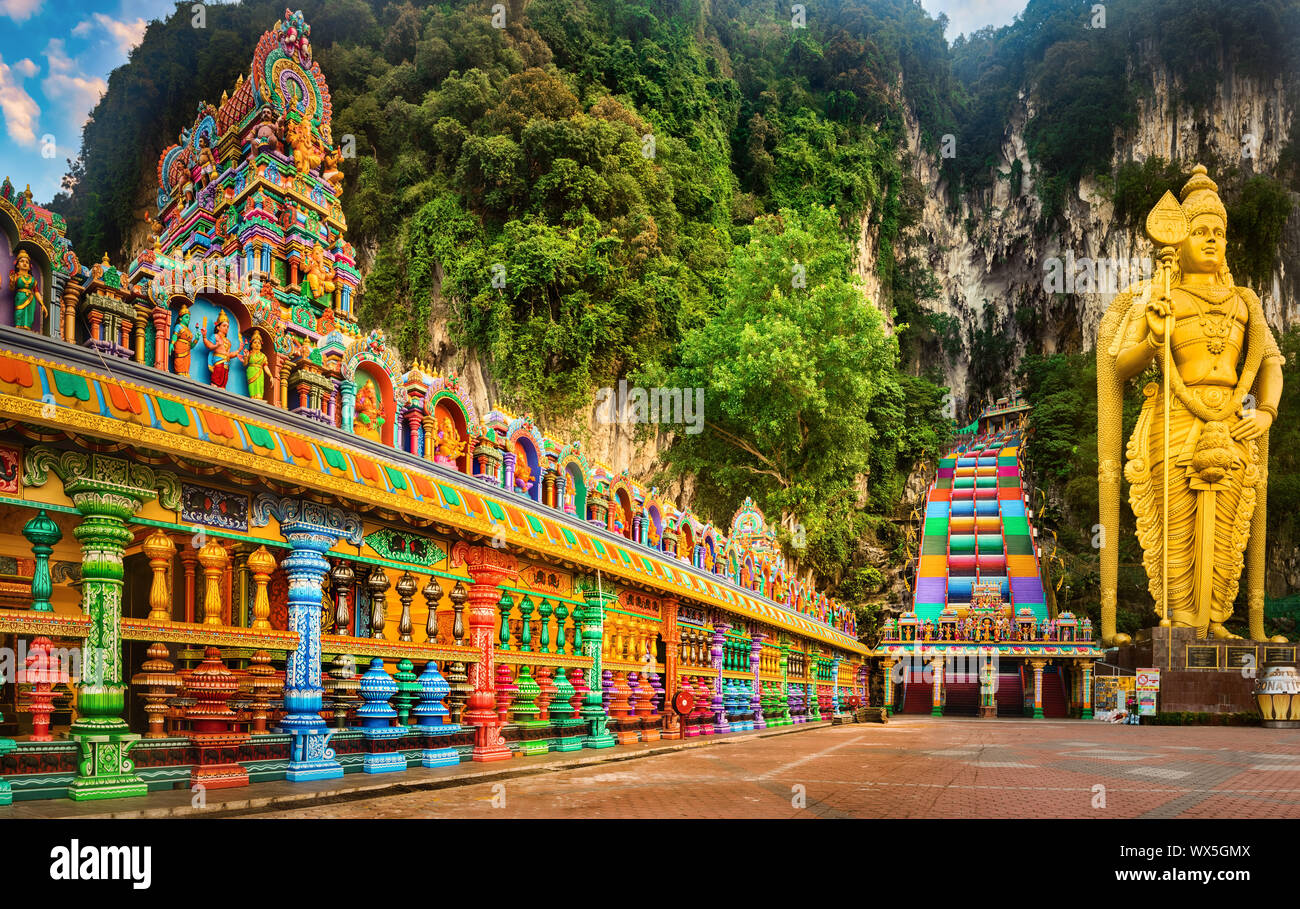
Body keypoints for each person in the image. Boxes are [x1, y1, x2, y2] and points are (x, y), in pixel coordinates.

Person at [7, 250, 43, 330]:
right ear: (17, 265)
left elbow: (36, 292)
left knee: (29, 315)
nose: (24, 263)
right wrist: (12, 281)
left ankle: (27, 328)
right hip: (20, 296)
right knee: (19, 313)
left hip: (31, 298)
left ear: (30, 266)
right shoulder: (16, 276)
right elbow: (11, 288)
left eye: (27, 262)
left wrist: (42, 304)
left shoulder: (32, 279)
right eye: (22, 261)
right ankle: (18, 326)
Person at [239, 331, 272, 400]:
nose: (257, 344)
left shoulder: (263, 356)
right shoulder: (249, 354)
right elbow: (245, 364)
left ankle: (259, 398)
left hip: (260, 372)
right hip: (251, 371)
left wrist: (270, 376)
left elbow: (265, 366)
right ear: (251, 345)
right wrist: (245, 357)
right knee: (252, 386)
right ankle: (252, 396)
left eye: (259, 343)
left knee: (259, 385)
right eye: (255, 342)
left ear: (261, 346)